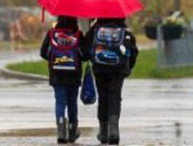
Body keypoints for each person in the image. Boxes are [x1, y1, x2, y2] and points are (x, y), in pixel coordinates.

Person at [85, 17, 139, 145]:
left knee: (103, 98)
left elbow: (86, 49)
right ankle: (114, 130)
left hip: (100, 68)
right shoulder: (124, 31)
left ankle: (103, 132)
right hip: (118, 69)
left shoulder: (95, 29)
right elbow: (134, 51)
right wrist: (128, 68)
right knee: (115, 96)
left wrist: (92, 58)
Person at [39, 16, 87, 144]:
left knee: (60, 101)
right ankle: (72, 131)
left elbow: (43, 52)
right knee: (72, 102)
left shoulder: (51, 34)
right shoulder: (78, 35)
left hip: (57, 73)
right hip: (73, 74)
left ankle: (61, 131)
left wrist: (53, 59)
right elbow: (85, 55)